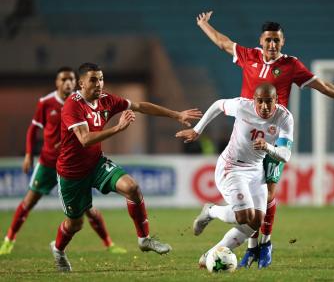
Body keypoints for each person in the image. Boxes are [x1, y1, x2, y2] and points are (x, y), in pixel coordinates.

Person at [196, 11, 334, 268]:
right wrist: (204, 25)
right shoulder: (249, 56)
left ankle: (263, 245)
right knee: (251, 208)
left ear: (282, 42)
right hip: (246, 135)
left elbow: (321, 85)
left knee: (267, 195)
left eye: (277, 41)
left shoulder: (291, 65)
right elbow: (223, 42)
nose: (272, 45)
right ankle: (251, 248)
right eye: (268, 40)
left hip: (274, 138)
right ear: (261, 41)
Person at [50, 62, 202, 272]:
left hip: (96, 164)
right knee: (75, 224)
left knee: (132, 187)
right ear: (81, 83)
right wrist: (118, 128)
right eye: (93, 80)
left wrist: (176, 115)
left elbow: (140, 106)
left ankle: (144, 239)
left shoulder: (106, 100)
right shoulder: (72, 105)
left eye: (101, 78)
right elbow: (84, 139)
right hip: (72, 173)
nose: (99, 84)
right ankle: (58, 250)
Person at [0, 67, 126, 255]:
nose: (67, 83)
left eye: (70, 79)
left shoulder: (79, 102)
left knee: (89, 211)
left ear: (76, 82)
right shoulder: (46, 103)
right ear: (57, 82)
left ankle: (109, 243)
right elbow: (33, 129)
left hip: (72, 166)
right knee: (28, 202)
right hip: (48, 163)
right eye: (63, 79)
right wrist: (28, 154)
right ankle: (9, 240)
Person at [176, 83, 293, 268]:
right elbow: (217, 105)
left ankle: (211, 254)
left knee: (256, 221)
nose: (264, 106)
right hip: (232, 167)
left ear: (276, 101)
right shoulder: (241, 106)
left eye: (268, 102)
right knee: (244, 215)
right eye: (260, 101)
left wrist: (268, 147)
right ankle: (211, 211)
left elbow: (286, 155)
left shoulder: (284, 117)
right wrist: (197, 130)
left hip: (256, 171)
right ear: (254, 100)